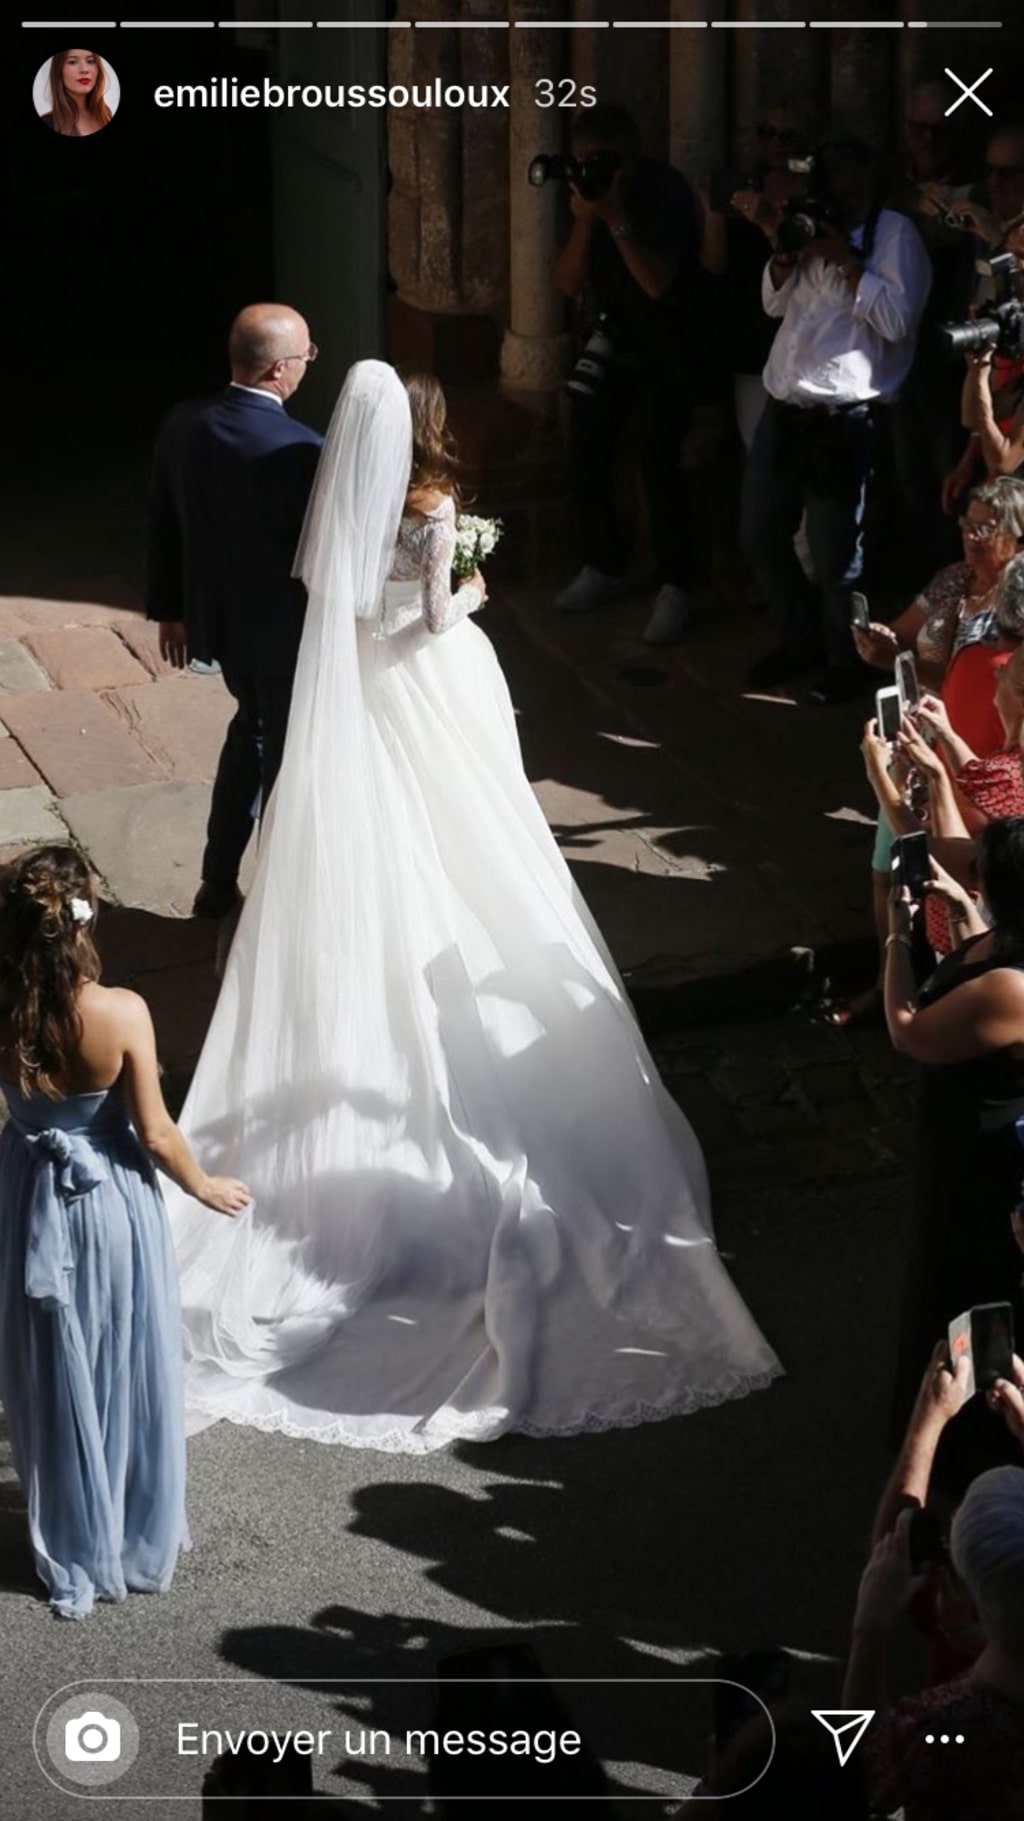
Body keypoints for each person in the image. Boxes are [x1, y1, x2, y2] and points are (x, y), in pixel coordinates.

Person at [164, 360, 781, 1452]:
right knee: (479, 843)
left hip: (362, 697)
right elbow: (436, 617)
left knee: (389, 853)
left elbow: (348, 605)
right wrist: (476, 588)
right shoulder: (436, 506)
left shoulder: (332, 496)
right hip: (430, 683)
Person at [0, 846, 248, 1620]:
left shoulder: (4, 1005)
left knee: (52, 1359)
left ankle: (74, 1518)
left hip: (28, 1189)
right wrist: (206, 1186)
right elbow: (158, 1132)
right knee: (118, 1348)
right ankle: (125, 1517)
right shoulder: (122, 1011)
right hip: (106, 1201)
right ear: (85, 920)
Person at [145, 303, 323, 919]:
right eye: (306, 355)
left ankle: (217, 879)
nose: (309, 364)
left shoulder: (183, 422)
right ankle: (280, 900)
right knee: (285, 759)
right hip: (284, 636)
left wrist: (172, 610)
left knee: (249, 732)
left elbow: (163, 523)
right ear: (279, 369)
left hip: (220, 628)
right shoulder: (301, 450)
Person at [739, 137, 932, 705]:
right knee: (759, 535)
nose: (833, 192)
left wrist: (848, 263)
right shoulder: (810, 222)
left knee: (836, 559)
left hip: (844, 420)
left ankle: (846, 662)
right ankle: (799, 642)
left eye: (844, 180)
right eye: (825, 181)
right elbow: (774, 306)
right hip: (786, 408)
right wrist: (782, 254)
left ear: (869, 181)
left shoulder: (894, 235)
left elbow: (898, 323)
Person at [885, 817, 1024, 1489]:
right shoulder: (1006, 942)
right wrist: (961, 909)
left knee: (965, 1279)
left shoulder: (1014, 988)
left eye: (981, 874)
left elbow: (909, 1028)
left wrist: (894, 935)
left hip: (981, 1160)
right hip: (961, 1140)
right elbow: (982, 959)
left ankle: (968, 1443)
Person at [551, 104, 712, 646]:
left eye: (601, 162)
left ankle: (676, 584)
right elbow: (569, 283)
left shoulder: (662, 192)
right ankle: (603, 564)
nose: (589, 172)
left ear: (629, 158)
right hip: (613, 344)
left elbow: (658, 283)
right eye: (582, 162)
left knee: (654, 452)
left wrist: (616, 218)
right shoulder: (588, 200)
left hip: (670, 351)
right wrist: (583, 220)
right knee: (584, 436)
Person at [847, 1457, 1024, 1821]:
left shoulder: (950, 1733)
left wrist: (869, 1630)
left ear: (973, 1595)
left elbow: (859, 1769)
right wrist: (972, 1640)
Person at [885, 78, 977, 580]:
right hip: (900, 354)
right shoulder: (892, 186)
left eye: (940, 130)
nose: (929, 140)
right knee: (907, 475)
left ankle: (956, 590)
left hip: (955, 361)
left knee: (952, 480)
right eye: (920, 129)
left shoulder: (979, 191)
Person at [40, 48, 112, 137]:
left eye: (90, 61)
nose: (84, 69)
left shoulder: (105, 114)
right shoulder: (49, 123)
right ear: (58, 70)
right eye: (73, 62)